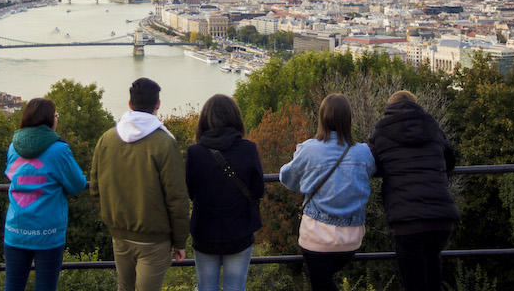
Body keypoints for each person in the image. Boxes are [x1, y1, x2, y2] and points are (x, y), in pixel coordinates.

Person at [90, 77, 189, 291]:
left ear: (130, 104)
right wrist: (180, 241)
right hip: (154, 239)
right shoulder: (165, 143)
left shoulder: (106, 139)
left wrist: (112, 218)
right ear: (158, 104)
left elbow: (95, 188)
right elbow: (177, 198)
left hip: (119, 233)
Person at [279, 93, 376, 291]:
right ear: (348, 120)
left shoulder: (309, 149)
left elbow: (286, 177)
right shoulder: (364, 152)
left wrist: (307, 184)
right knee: (323, 283)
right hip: (351, 237)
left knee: (320, 284)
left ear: (322, 118)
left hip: (316, 236)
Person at [369, 90, 460, 291]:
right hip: (442, 218)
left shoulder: (381, 133)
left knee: (414, 282)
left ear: (389, 109)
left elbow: (372, 164)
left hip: (407, 220)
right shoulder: (433, 128)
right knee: (433, 268)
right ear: (416, 106)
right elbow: (450, 161)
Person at [3, 97, 87, 291]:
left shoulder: (13, 147)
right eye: (56, 115)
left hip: (15, 229)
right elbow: (77, 184)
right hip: (47, 232)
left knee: (12, 286)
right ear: (50, 119)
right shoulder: (59, 150)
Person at [186, 94, 264, 291]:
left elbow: (190, 191)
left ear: (205, 120)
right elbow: (258, 190)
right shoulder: (248, 149)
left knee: (206, 288)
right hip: (240, 230)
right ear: (235, 118)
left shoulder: (195, 152)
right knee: (235, 288)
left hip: (204, 232)